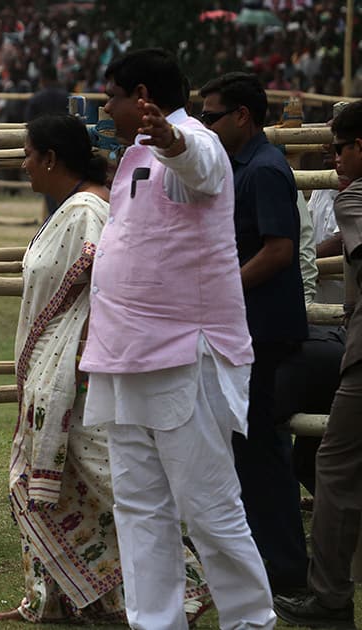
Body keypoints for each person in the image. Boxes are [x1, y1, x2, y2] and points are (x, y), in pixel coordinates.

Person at [78, 48, 276, 629]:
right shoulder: (134, 154)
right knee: (139, 508)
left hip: (184, 356)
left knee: (209, 506)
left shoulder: (194, 140)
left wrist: (170, 137)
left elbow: (203, 168)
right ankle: (156, 623)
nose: (105, 107)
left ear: (142, 96)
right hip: (126, 358)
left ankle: (250, 622)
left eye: (112, 96)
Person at [0, 113, 212, 623]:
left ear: (49, 158)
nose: (22, 164)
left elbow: (103, 285)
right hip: (58, 372)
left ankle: (188, 586)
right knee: (61, 482)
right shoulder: (69, 207)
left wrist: (83, 357)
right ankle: (66, 597)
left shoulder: (88, 208)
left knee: (107, 481)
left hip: (80, 374)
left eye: (27, 154)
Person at [198, 71, 309, 596]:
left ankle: (283, 567)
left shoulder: (262, 170)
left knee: (261, 451)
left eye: (211, 116)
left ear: (243, 115)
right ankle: (265, 560)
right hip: (248, 327)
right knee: (247, 448)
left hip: (261, 330)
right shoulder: (239, 166)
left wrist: (222, 289)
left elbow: (278, 251)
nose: (204, 125)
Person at [274, 100, 362, 629]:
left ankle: (329, 597)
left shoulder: (354, 199)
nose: (335, 160)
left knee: (334, 465)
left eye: (340, 149)